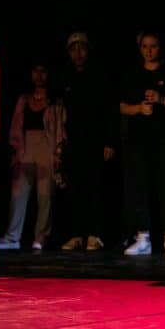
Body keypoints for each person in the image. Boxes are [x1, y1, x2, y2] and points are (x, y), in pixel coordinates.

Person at [120, 30, 165, 256]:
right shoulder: (132, 74)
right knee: (140, 188)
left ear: (160, 47)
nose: (149, 51)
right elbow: (121, 106)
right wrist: (139, 108)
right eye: (145, 47)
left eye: (153, 46)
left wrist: (162, 100)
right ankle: (143, 238)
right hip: (139, 141)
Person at [0, 60, 66, 251]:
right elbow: (15, 126)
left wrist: (58, 152)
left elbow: (60, 129)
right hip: (25, 147)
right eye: (35, 70)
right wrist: (14, 150)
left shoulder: (55, 101)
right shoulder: (24, 99)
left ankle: (40, 238)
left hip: (46, 146)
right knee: (18, 195)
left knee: (45, 196)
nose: (39, 75)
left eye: (43, 70)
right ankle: (12, 237)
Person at [58, 32, 118, 251]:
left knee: (95, 188)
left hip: (96, 141)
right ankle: (76, 234)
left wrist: (110, 141)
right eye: (73, 49)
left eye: (81, 48)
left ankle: (95, 234)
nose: (78, 53)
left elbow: (111, 111)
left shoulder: (100, 76)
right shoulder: (65, 77)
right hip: (73, 143)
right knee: (75, 188)